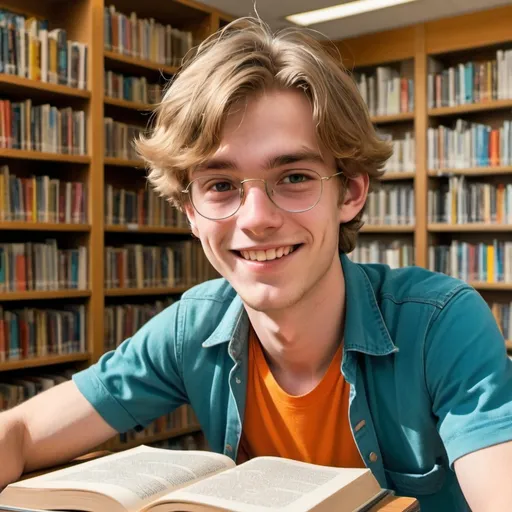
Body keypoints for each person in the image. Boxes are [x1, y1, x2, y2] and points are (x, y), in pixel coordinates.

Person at [1, 17, 511, 512]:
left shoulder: (441, 325)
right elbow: (21, 432)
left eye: (293, 176)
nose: (257, 219)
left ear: (351, 192)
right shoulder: (191, 329)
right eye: (220, 186)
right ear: (190, 213)